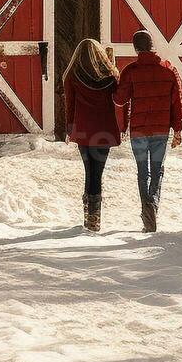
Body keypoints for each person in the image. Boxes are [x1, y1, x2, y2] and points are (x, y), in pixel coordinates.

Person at [113, 30, 182, 233]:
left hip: (139, 130)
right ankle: (152, 204)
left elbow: (119, 100)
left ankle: (146, 210)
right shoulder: (168, 70)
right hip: (161, 129)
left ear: (135, 48)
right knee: (158, 170)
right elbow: (177, 103)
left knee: (143, 172)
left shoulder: (130, 71)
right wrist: (177, 129)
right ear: (153, 46)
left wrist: (115, 81)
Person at [61, 38, 120, 232]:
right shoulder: (110, 77)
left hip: (84, 130)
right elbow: (119, 97)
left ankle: (89, 215)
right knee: (98, 173)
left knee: (89, 171)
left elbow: (70, 105)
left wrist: (70, 128)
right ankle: (94, 216)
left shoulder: (73, 76)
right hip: (103, 130)